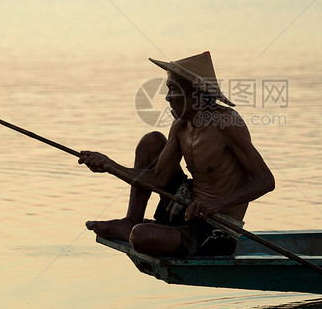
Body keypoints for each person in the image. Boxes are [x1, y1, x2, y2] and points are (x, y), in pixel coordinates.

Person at [81, 51, 275, 257]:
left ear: (196, 93)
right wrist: (110, 166)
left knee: (140, 236)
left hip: (214, 229)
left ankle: (142, 230)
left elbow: (265, 181)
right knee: (151, 141)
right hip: (186, 208)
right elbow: (158, 178)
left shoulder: (227, 123)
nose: (167, 98)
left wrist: (216, 204)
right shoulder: (180, 125)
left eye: (172, 89)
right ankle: (132, 219)